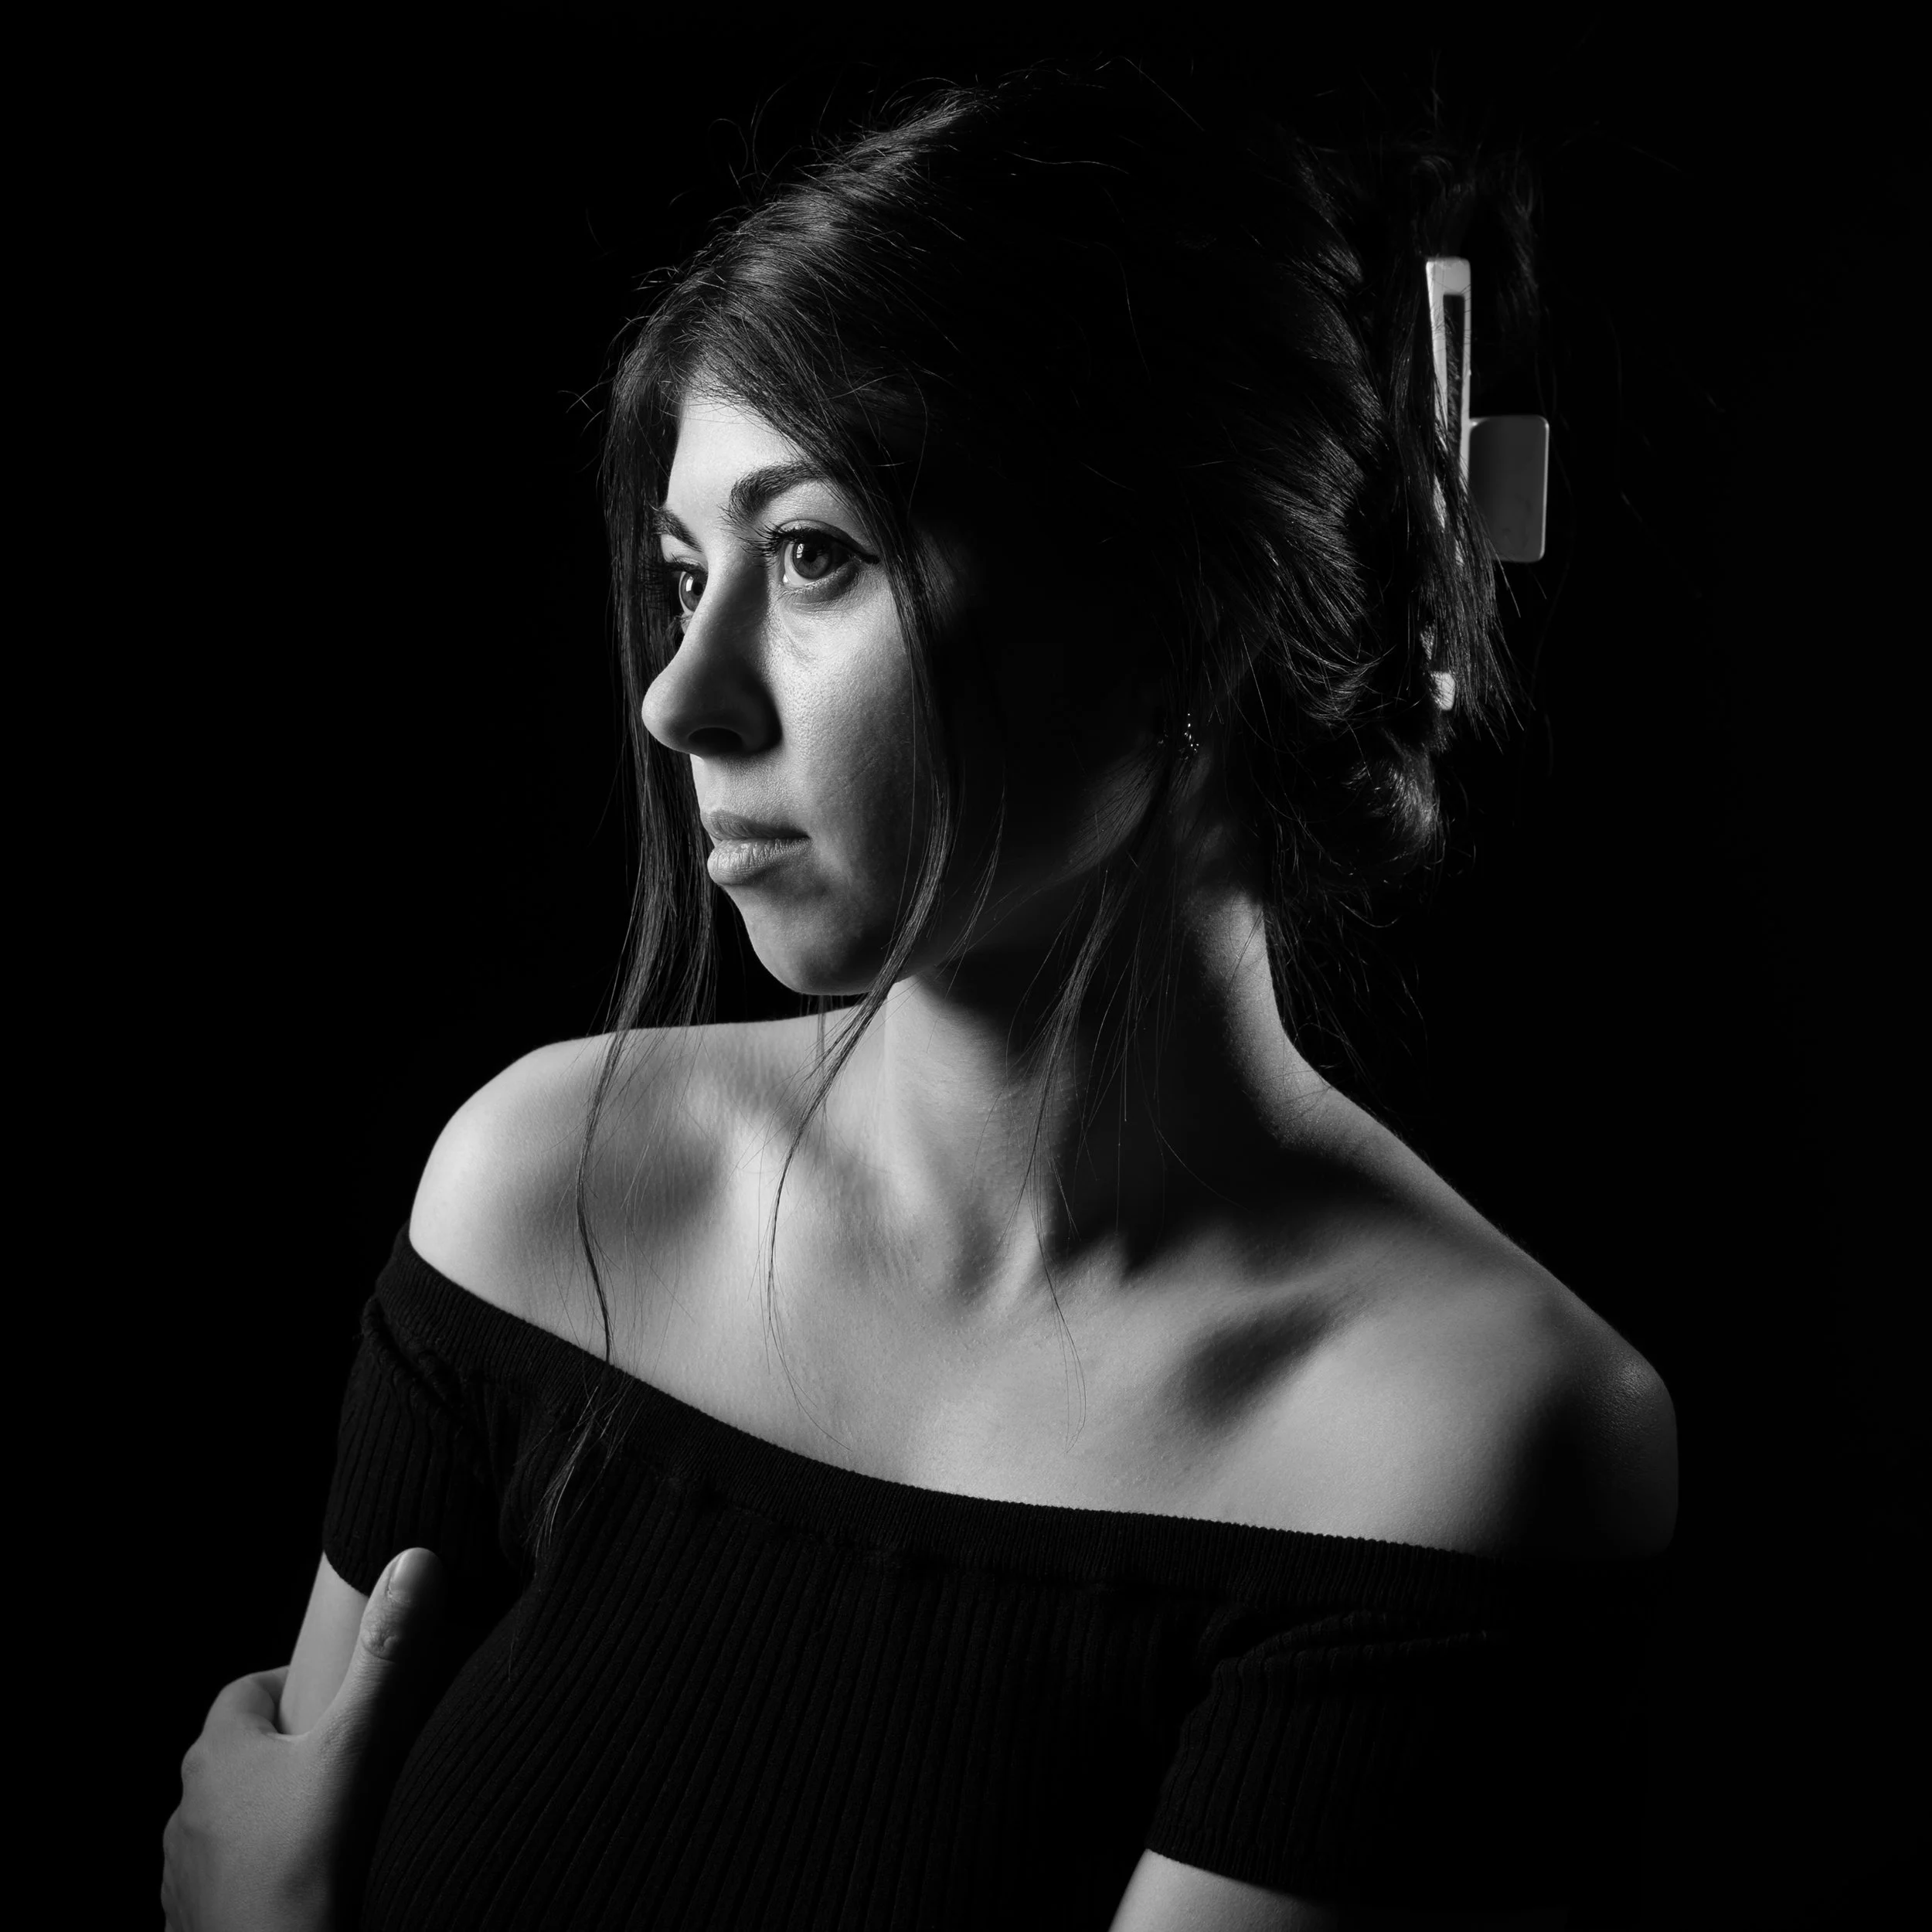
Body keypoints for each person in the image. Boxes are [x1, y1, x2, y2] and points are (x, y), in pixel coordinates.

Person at [164, 60, 1675, 1931]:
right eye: (678, 570)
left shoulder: (1455, 1437)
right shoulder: (546, 1187)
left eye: (813, 557)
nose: (678, 697)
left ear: (1177, 619)